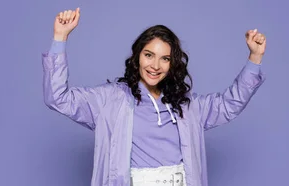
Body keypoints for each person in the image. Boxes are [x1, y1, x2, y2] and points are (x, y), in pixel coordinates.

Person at [43, 7, 266, 186]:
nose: (155, 66)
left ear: (173, 63)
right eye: (149, 55)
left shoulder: (186, 106)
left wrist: (254, 58)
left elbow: (228, 105)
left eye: (165, 59)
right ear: (137, 56)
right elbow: (58, 97)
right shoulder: (109, 100)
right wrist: (60, 38)